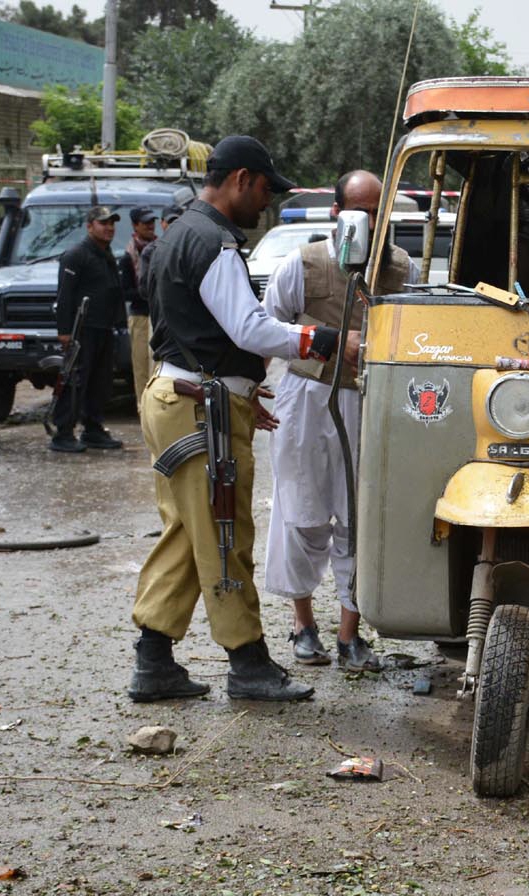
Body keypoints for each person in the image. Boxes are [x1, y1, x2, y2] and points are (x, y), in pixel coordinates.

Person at [128, 135, 360, 703]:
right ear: (240, 180)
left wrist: (238, 388)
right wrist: (326, 338)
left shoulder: (180, 233)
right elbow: (249, 329)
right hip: (198, 407)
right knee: (224, 532)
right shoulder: (213, 242)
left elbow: (193, 330)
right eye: (263, 190)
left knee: (190, 533)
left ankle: (153, 660)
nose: (266, 204)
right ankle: (248, 661)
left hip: (179, 394)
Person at [263, 170, 414, 671]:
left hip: (369, 403)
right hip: (306, 399)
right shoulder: (302, 264)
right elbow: (266, 326)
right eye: (362, 211)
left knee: (359, 518)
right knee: (301, 512)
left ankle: (351, 633)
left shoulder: (399, 268)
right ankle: (303, 625)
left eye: (379, 211)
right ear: (338, 212)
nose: (371, 221)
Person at [52, 205, 126, 453]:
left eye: (112, 224)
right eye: (103, 223)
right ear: (89, 226)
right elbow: (64, 296)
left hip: (103, 328)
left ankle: (93, 429)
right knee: (75, 381)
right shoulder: (76, 255)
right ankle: (63, 433)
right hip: (82, 330)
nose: (109, 228)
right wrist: (64, 332)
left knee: (100, 382)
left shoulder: (106, 254)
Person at [120, 206, 157, 406]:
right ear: (135, 226)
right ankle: (143, 411)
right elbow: (126, 292)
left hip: (159, 315)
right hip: (141, 317)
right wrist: (150, 293)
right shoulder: (128, 256)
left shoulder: (163, 248)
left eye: (152, 222)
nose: (151, 226)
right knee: (142, 368)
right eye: (146, 223)